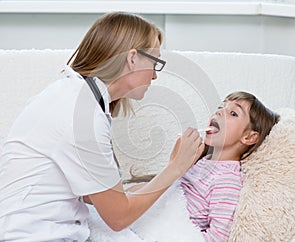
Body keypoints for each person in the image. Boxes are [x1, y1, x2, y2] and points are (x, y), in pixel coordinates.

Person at [0, 12, 203, 241]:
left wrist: (168, 173)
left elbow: (101, 195)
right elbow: (118, 217)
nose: (155, 75)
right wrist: (175, 168)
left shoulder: (76, 98)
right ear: (133, 58)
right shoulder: (82, 116)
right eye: (155, 62)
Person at [181, 91, 280, 242]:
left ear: (249, 137)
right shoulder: (203, 160)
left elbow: (217, 237)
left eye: (233, 113)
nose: (219, 111)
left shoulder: (227, 179)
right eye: (221, 106)